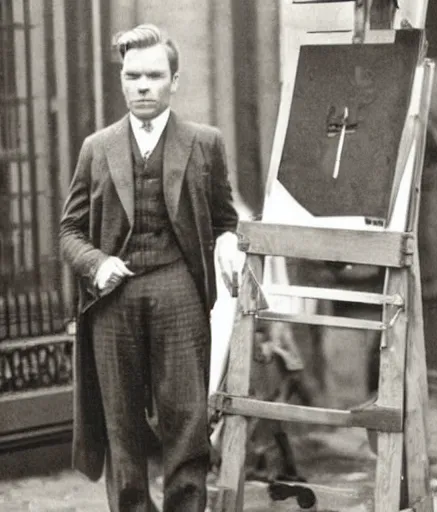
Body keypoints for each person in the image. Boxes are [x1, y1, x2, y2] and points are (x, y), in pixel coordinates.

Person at [60, 23, 242, 512]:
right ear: (122, 81)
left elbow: (227, 219)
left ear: (174, 81)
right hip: (112, 302)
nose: (143, 85)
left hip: (179, 293)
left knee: (187, 421)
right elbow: (69, 231)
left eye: (155, 75)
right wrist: (96, 264)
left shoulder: (205, 143)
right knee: (122, 427)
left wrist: (228, 242)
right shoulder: (96, 148)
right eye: (133, 75)